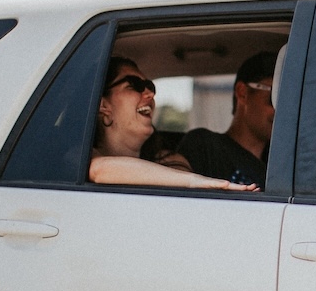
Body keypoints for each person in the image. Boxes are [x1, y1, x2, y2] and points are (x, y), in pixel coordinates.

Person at [89, 56, 250, 190]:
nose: (150, 93)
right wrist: (194, 181)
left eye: (149, 86)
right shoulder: (81, 159)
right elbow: (99, 169)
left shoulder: (170, 161)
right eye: (135, 85)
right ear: (103, 105)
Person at [177, 52, 276, 188]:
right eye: (275, 97)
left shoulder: (284, 164)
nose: (282, 110)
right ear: (243, 93)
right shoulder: (204, 147)